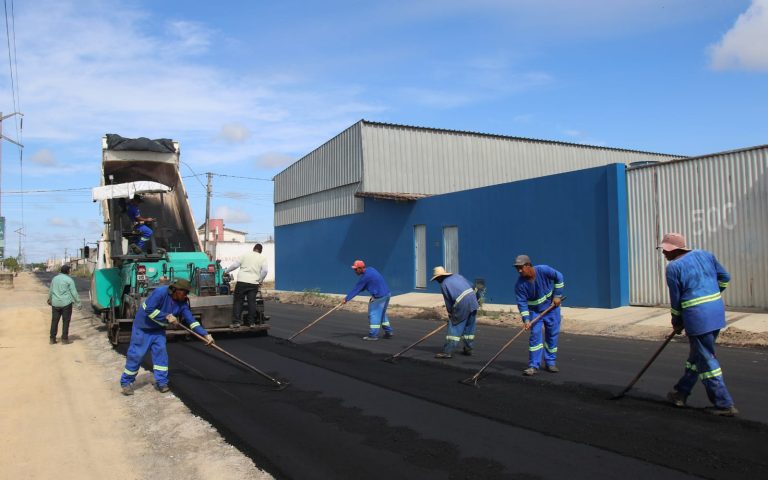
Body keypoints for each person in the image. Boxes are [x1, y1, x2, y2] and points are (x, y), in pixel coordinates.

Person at [659, 232, 738, 416]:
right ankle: (681, 393)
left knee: (706, 360)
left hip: (697, 318)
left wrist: (676, 321)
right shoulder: (706, 255)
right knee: (697, 357)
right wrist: (711, 297)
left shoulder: (673, 267)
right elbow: (725, 277)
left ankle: (724, 403)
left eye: (665, 250)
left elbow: (676, 300)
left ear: (674, 250)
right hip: (716, 312)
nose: (664, 254)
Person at [119, 279, 214, 395]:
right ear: (176, 290)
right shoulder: (160, 293)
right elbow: (149, 310)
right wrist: (166, 316)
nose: (186, 295)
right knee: (137, 355)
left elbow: (191, 321)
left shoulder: (183, 303)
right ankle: (126, 382)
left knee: (161, 355)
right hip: (143, 328)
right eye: (185, 293)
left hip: (158, 330)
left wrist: (205, 334)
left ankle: (162, 382)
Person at [514, 254, 565, 376]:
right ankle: (533, 366)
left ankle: (550, 362)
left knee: (552, 335)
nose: (519, 271)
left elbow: (559, 277)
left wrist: (557, 295)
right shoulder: (519, 285)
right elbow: (522, 303)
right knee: (535, 336)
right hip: (535, 312)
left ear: (528, 265)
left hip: (551, 309)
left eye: (521, 267)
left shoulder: (543, 270)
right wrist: (526, 320)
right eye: (517, 268)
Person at [431, 266, 479, 359]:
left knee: (455, 326)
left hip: (462, 304)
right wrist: (477, 298)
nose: (437, 281)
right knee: (469, 326)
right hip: (473, 300)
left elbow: (448, 301)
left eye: (436, 279)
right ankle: (468, 349)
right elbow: (473, 286)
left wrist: (451, 315)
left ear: (439, 277)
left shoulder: (444, 284)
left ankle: (447, 351)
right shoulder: (458, 276)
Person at [342, 260, 393, 341]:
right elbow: (366, 285)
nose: (354, 271)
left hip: (379, 297)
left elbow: (357, 289)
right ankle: (388, 331)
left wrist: (346, 299)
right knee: (381, 314)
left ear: (360, 268)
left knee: (374, 315)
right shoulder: (371, 269)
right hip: (387, 294)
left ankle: (373, 335)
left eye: (355, 269)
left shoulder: (365, 277)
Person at [224, 243, 269, 328]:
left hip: (242, 282)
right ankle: (251, 323)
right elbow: (265, 271)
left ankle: (237, 322)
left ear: (253, 249)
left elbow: (235, 265)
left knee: (238, 301)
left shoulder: (245, 255)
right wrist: (260, 280)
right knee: (251, 302)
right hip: (254, 283)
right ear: (260, 251)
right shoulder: (262, 258)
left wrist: (226, 271)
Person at [47, 265, 82, 345]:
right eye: (70, 270)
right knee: (66, 321)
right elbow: (74, 293)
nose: (70, 271)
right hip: (66, 303)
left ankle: (52, 339)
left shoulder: (54, 279)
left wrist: (49, 299)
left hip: (55, 303)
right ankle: (64, 339)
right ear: (67, 271)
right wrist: (78, 302)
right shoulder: (69, 280)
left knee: (54, 321)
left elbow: (51, 290)